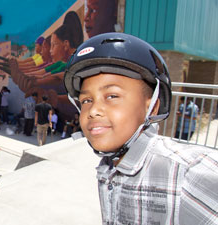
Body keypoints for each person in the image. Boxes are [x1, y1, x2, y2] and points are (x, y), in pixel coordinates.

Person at [63, 32, 218, 224]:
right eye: (86, 100)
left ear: (151, 106)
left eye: (112, 96)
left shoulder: (187, 174)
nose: (93, 110)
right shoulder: (109, 166)